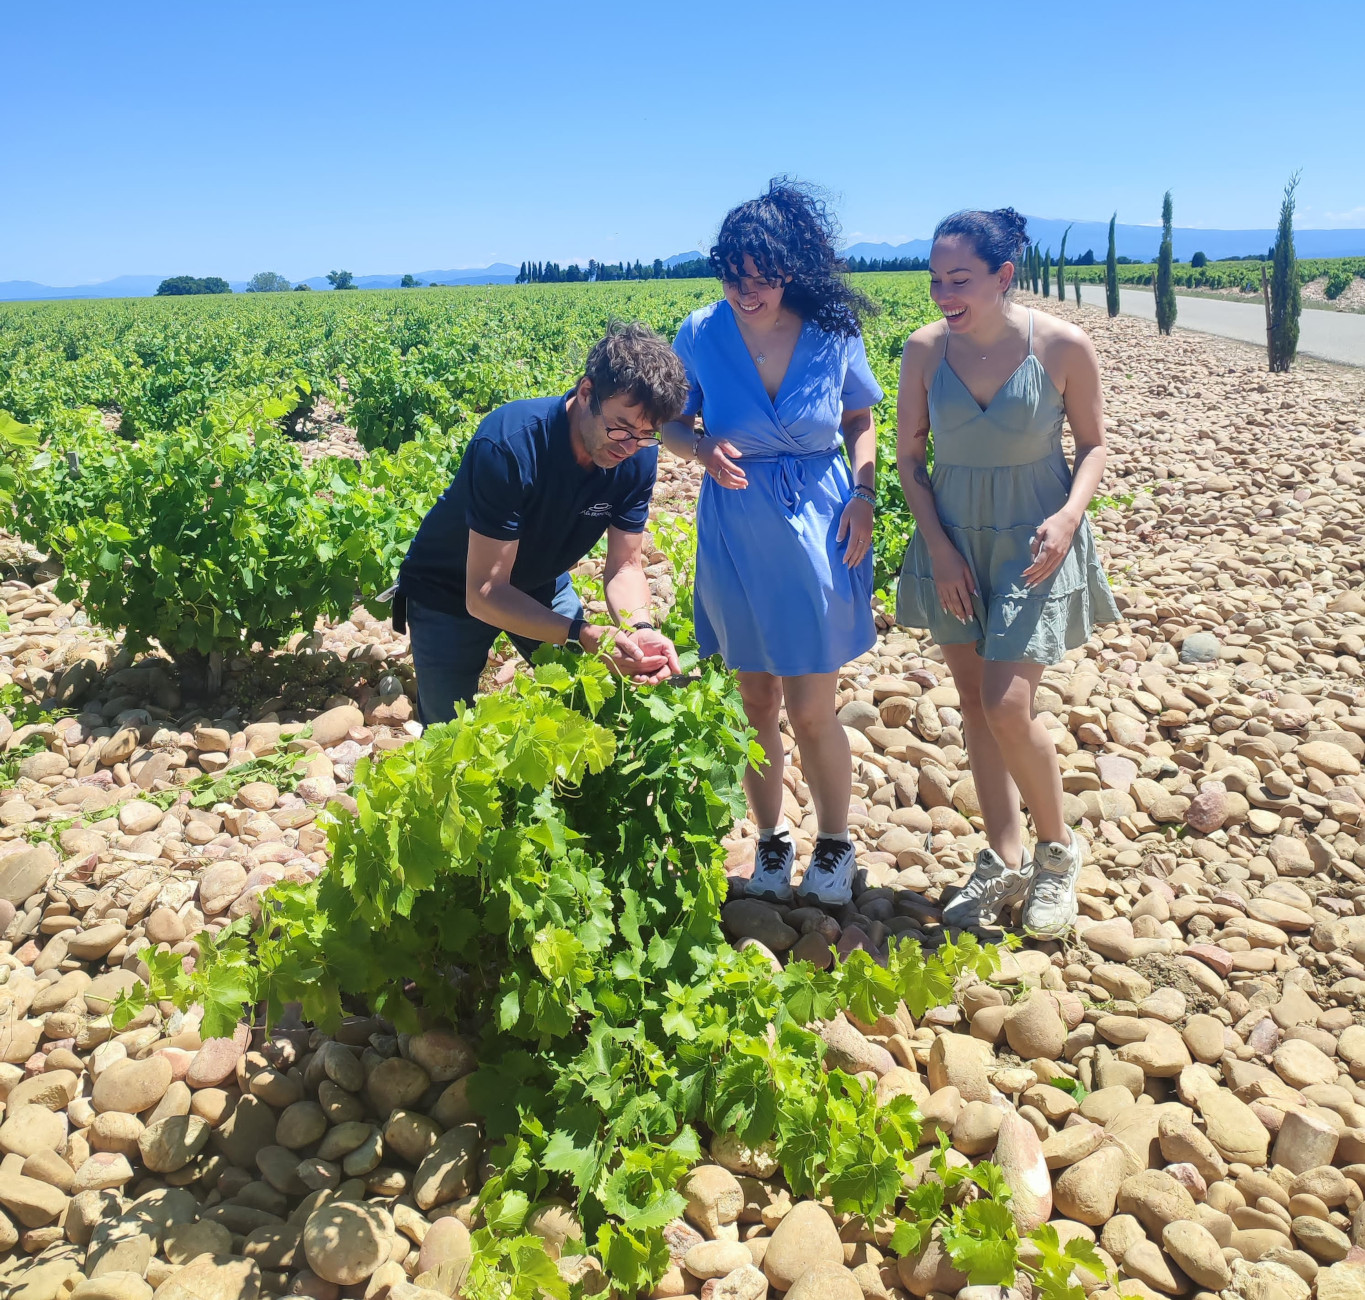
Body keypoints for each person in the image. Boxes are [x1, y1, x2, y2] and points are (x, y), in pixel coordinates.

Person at [895, 208, 1121, 939]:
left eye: (957, 280)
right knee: (971, 701)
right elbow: (907, 459)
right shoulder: (923, 352)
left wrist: (1068, 518)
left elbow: (1091, 447)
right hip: (953, 540)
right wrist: (935, 546)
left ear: (1003, 276)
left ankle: (1057, 853)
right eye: (934, 280)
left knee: (1006, 706)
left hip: (1034, 544)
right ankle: (1003, 854)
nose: (941, 295)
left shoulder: (1062, 345)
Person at [662, 180, 883, 908]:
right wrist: (697, 450)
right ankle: (770, 839)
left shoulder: (830, 331)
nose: (746, 292)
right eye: (733, 276)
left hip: (821, 520)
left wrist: (864, 493)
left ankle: (834, 843)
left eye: (762, 278)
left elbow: (859, 418)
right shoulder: (697, 333)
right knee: (753, 700)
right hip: (734, 526)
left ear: (791, 270)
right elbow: (667, 422)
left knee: (812, 706)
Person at [396, 322, 688, 724]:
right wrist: (581, 632)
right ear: (587, 393)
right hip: (449, 591)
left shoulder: (637, 455)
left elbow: (625, 565)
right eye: (620, 427)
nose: (628, 446)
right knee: (448, 737)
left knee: (587, 704)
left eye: (645, 434)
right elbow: (483, 593)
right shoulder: (509, 443)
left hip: (539, 581)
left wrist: (639, 626)